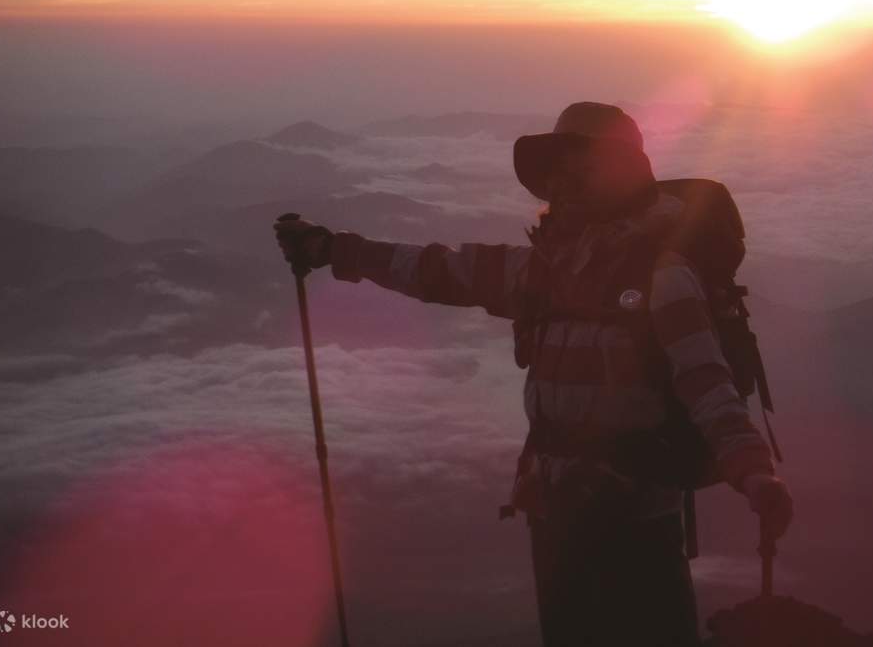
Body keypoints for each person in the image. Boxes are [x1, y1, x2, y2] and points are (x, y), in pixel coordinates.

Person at [274, 101, 793, 647]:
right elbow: (436, 269)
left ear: (620, 174)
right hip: (555, 516)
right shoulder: (542, 271)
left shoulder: (664, 277)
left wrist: (752, 469)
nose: (562, 180)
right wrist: (332, 250)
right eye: (557, 167)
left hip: (635, 523)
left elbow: (706, 383)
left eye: (579, 164)